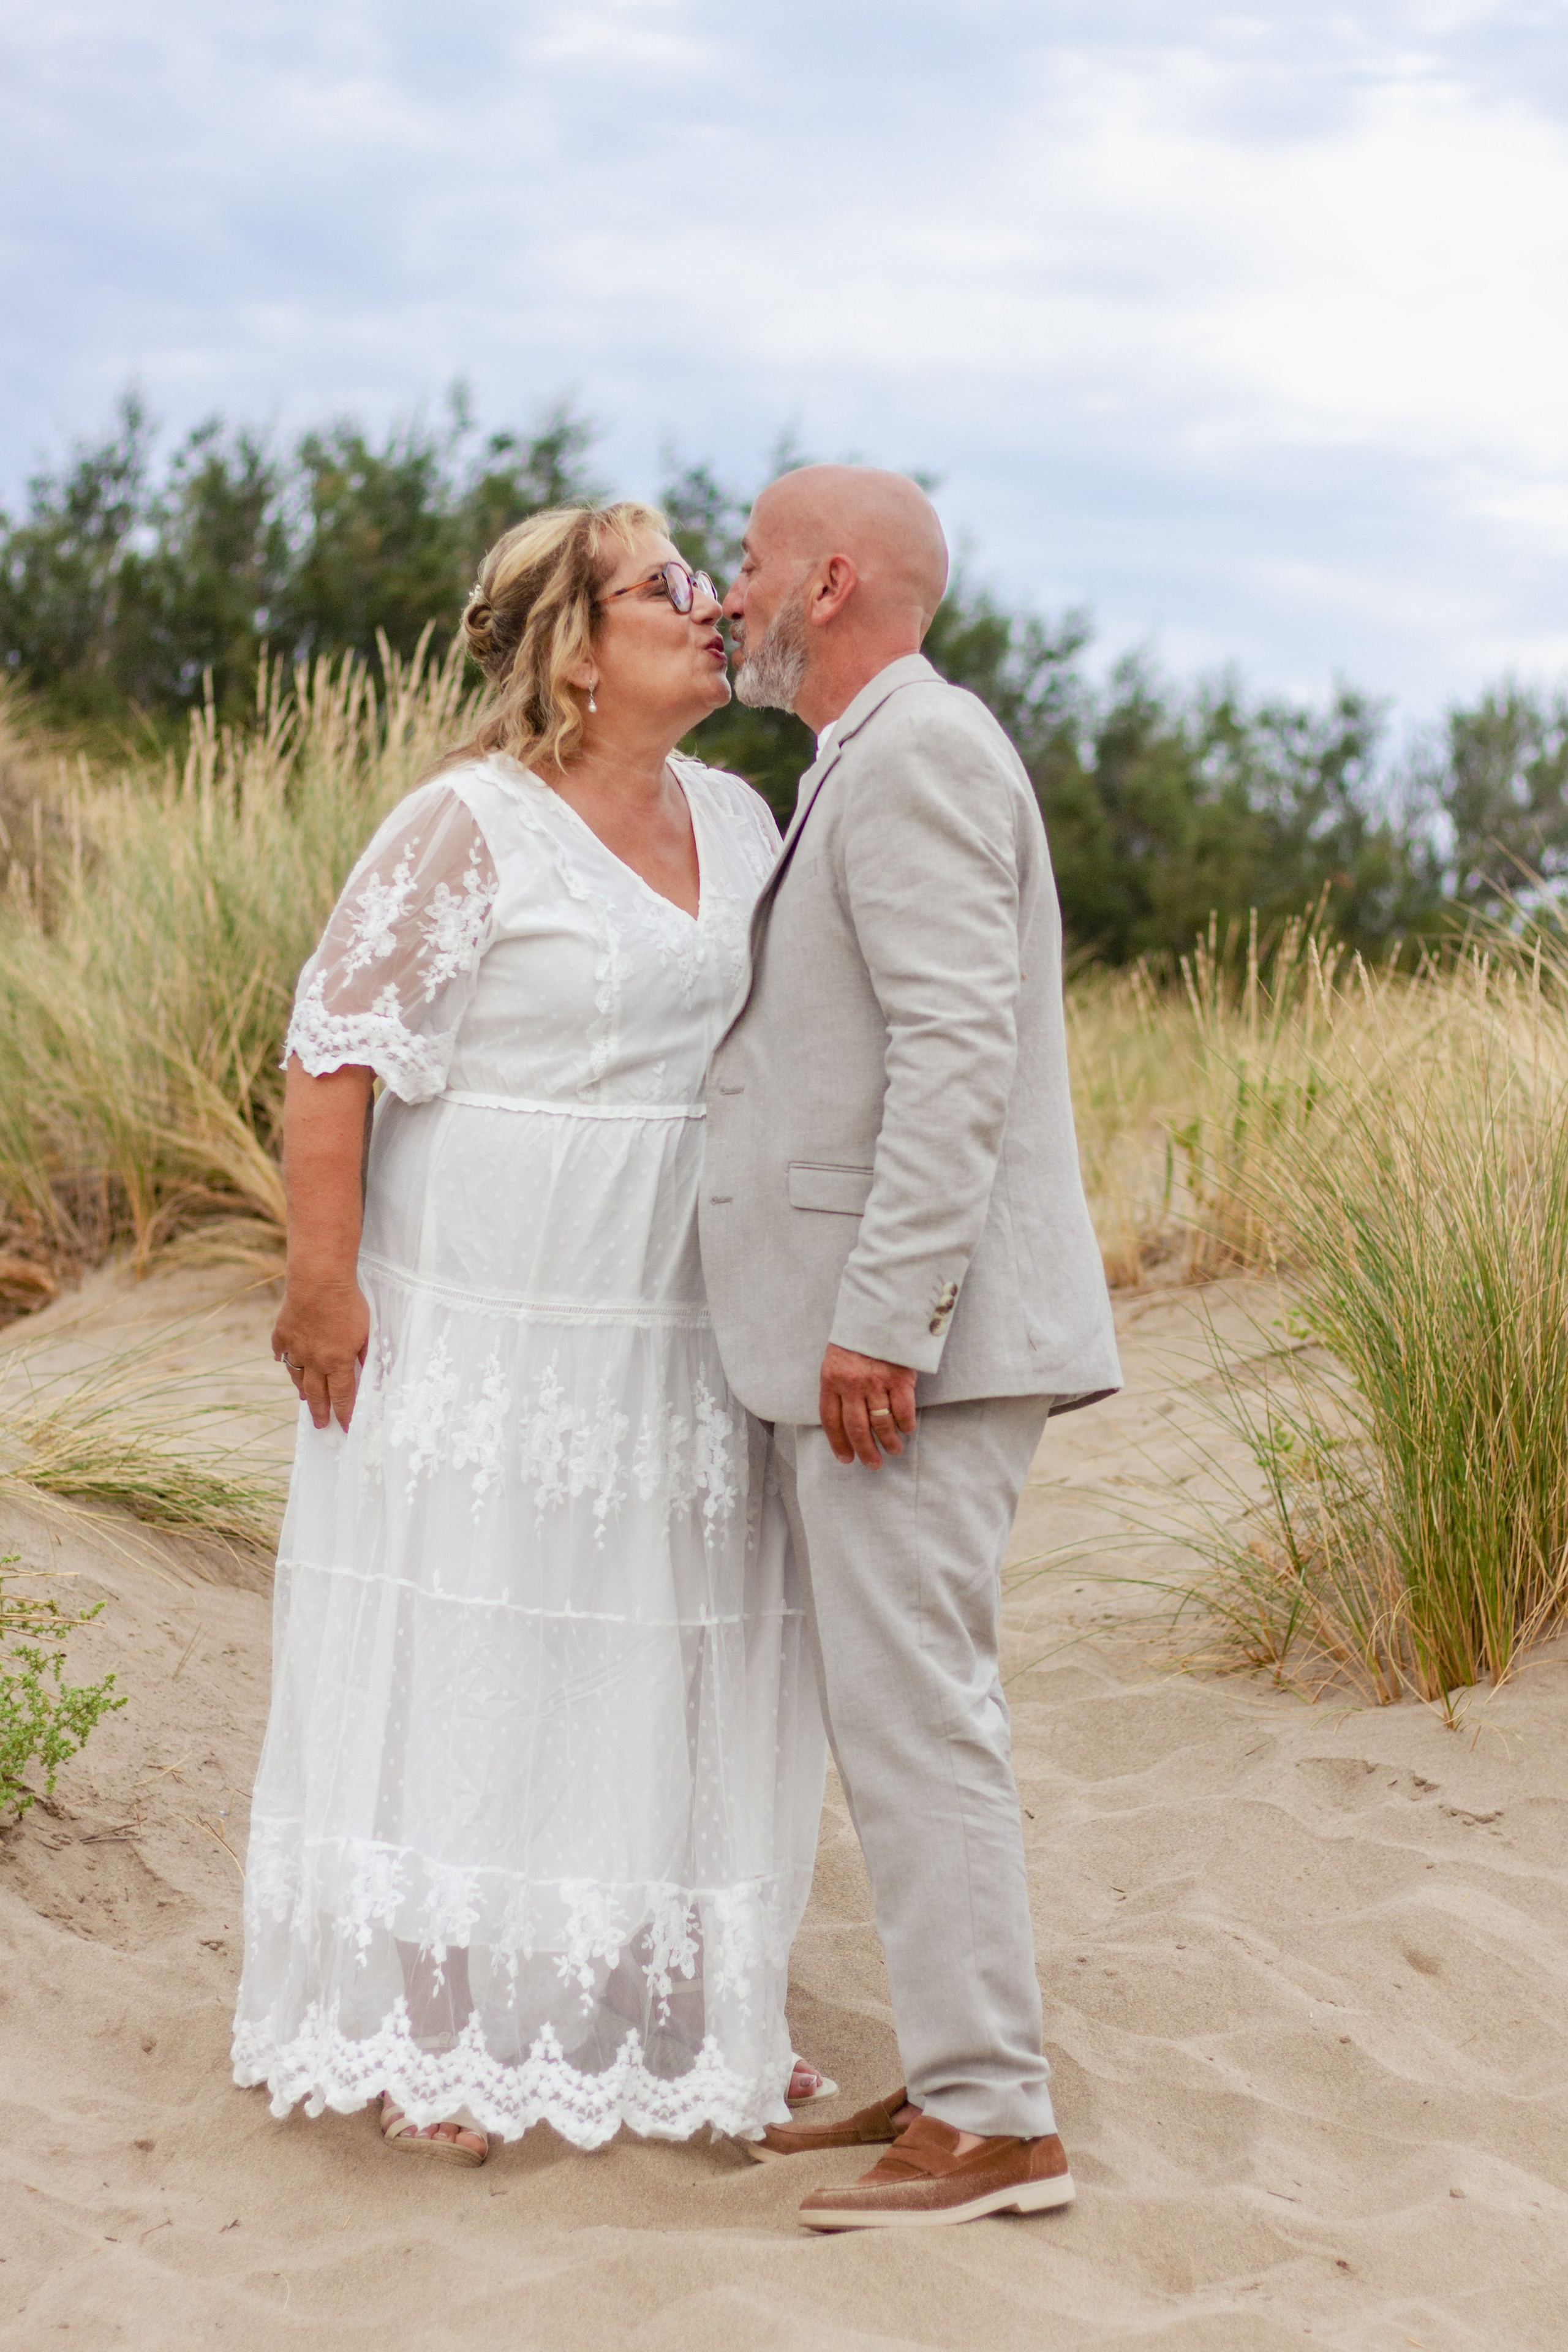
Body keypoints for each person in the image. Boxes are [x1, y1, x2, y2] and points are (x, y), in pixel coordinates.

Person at [232, 503, 829, 2165]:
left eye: (708, 582)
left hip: (675, 1317)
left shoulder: (739, 812)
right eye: (668, 589)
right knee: (479, 1632)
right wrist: (321, 1285)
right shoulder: (465, 827)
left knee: (657, 1629)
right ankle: (434, 2024)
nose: (708, 610)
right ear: (577, 647)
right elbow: (333, 1052)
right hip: (479, 1320)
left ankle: (676, 1996)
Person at [700, 465, 1123, 2230]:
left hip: (916, 1354)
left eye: (748, 561)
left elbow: (961, 1053)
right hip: (901, 1340)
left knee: (921, 1717)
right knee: (899, 1715)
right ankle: (959, 2063)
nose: (728, 591)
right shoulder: (865, 757)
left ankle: (992, 2122)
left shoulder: (924, 754)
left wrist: (882, 1320)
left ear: (834, 578)